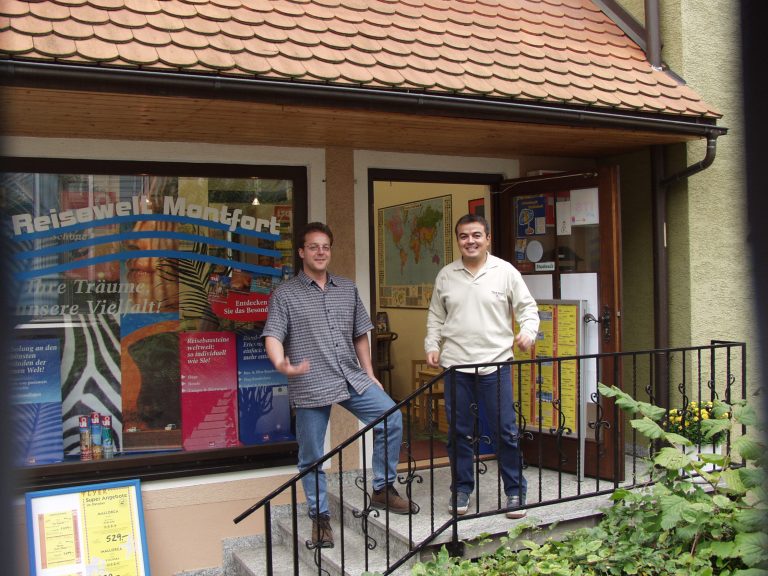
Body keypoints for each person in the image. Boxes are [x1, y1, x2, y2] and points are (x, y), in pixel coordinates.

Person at [263, 222, 417, 549]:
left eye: (326, 247)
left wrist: (370, 371)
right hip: (311, 382)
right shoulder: (285, 294)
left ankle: (382, 489)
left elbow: (360, 331)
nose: (321, 252)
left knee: (390, 415)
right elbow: (273, 334)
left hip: (350, 375)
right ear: (302, 252)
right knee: (311, 456)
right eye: (314, 246)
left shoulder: (347, 288)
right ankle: (320, 519)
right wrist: (280, 363)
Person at [424, 214, 539, 519]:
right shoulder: (446, 275)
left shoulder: (505, 272)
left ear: (488, 239)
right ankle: (462, 488)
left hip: (495, 364)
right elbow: (436, 316)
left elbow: (528, 308)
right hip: (456, 368)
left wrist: (528, 331)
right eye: (464, 236)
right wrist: (432, 345)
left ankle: (515, 491)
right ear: (458, 241)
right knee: (458, 434)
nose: (470, 241)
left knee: (505, 431)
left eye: (476, 235)